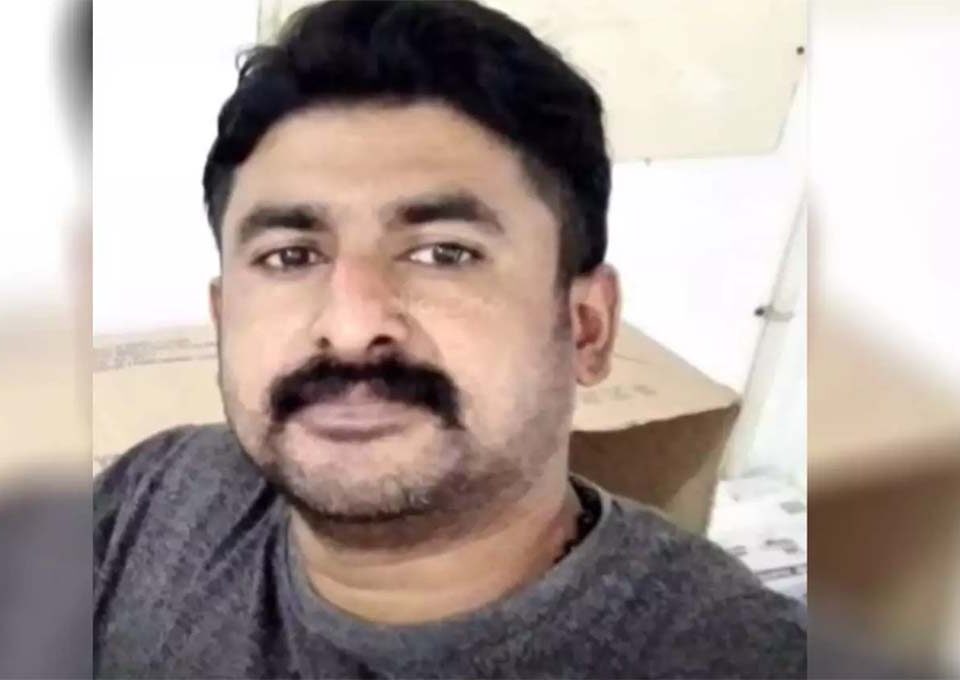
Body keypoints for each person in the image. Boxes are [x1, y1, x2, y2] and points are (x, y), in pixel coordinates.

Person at [93, 1, 806, 677]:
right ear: (223, 319)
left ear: (586, 328)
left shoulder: (743, 658)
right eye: (291, 256)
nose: (351, 326)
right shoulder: (153, 500)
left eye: (444, 253)